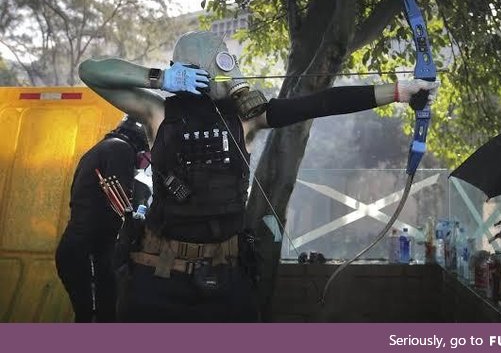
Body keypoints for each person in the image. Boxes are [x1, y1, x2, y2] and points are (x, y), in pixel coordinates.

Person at [78, 30, 439, 322]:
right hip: (157, 280)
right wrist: (158, 77)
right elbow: (91, 71)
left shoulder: (246, 118)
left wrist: (399, 92)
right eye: (216, 63)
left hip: (225, 280)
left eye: (225, 61)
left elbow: (321, 103)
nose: (225, 69)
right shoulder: (157, 112)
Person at [55, 116, 149, 322]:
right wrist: (142, 221)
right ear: (139, 142)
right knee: (98, 318)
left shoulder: (104, 148)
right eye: (145, 156)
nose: (143, 164)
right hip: (87, 253)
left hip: (83, 250)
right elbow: (121, 206)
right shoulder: (120, 150)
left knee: (92, 315)